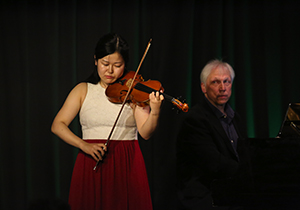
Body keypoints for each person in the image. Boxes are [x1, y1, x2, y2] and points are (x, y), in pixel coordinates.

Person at [51, 33, 164, 210]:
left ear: (125, 64)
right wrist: (83, 145)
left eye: (117, 65)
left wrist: (155, 111)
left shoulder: (133, 91)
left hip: (128, 161)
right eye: (105, 64)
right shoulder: (83, 90)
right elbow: (58, 125)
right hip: (91, 160)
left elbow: (145, 133)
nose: (110, 71)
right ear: (95, 60)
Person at [176, 59, 248, 210]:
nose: (222, 88)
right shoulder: (194, 119)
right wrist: (248, 173)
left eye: (226, 82)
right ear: (203, 87)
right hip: (205, 196)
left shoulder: (236, 118)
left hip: (231, 191)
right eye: (215, 82)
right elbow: (213, 163)